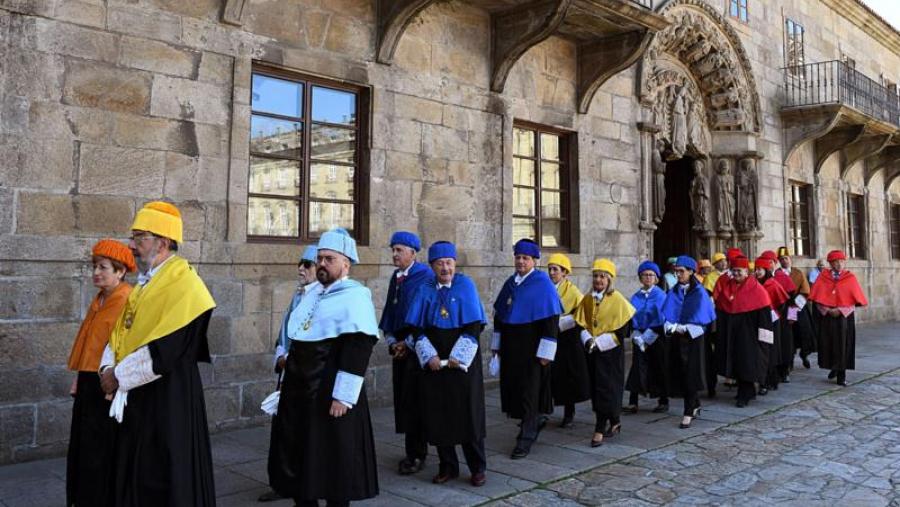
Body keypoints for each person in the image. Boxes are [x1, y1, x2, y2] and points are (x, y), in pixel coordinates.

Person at [98, 201, 217, 506]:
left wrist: (117, 376)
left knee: (162, 477)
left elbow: (166, 350)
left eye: (139, 238)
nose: (132, 245)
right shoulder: (144, 284)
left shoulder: (186, 286)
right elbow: (121, 332)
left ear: (162, 243)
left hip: (167, 399)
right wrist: (106, 367)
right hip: (137, 396)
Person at [270, 228, 380, 506]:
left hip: (331, 392)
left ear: (346, 264)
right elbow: (299, 339)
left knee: (333, 465)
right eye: (319, 258)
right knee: (300, 460)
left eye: (329, 259)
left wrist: (343, 395)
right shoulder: (312, 294)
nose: (321, 264)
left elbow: (359, 347)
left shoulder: (356, 296)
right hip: (300, 392)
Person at [405, 241, 487, 487]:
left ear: (455, 264)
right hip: (434, 364)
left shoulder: (466, 286)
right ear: (432, 266)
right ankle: (448, 466)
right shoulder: (424, 288)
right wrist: (428, 354)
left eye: (449, 263)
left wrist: (459, 355)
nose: (445, 268)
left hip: (462, 362)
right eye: (440, 264)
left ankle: (477, 467)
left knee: (468, 414)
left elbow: (474, 326)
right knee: (439, 416)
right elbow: (415, 327)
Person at [66, 239, 135, 507]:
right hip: (87, 380)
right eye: (94, 266)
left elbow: (124, 345)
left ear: (120, 271)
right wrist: (78, 376)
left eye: (103, 267)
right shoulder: (100, 299)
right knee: (82, 446)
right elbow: (89, 342)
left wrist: (115, 382)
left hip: (107, 383)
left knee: (100, 449)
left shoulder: (126, 299)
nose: (96, 272)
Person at [492, 238, 562, 459]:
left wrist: (546, 353)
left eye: (525, 258)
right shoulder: (510, 283)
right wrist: (496, 346)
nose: (521, 261)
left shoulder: (543, 284)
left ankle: (526, 438)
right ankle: (531, 421)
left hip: (533, 349)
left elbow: (551, 320)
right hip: (512, 347)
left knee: (530, 392)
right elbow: (499, 317)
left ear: (534, 261)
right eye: (518, 257)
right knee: (515, 388)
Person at [259, 245, 318, 503]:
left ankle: (300, 481)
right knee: (282, 431)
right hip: (287, 371)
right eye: (300, 263)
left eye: (308, 264)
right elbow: (285, 330)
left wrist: (291, 359)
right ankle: (282, 481)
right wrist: (281, 353)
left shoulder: (319, 298)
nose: (301, 269)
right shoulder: (298, 295)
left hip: (304, 375)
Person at [378, 231, 433, 475]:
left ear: (413, 252)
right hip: (399, 350)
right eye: (393, 250)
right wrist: (391, 341)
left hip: (418, 348)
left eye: (399, 250)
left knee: (417, 402)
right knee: (404, 400)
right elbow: (391, 311)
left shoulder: (425, 276)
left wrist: (407, 342)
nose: (395, 254)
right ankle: (412, 449)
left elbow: (426, 315)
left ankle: (418, 453)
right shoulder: (396, 277)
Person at [574, 259, 635, 447]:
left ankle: (599, 428)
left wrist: (600, 342)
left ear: (609, 280)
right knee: (595, 387)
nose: (598, 280)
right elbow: (580, 323)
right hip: (592, 352)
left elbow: (624, 330)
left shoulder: (618, 300)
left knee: (607, 389)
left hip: (610, 353)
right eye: (595, 276)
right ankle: (614, 420)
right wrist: (587, 339)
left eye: (602, 276)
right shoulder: (587, 299)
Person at [661, 256, 716, 429]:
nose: (678, 275)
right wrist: (670, 326)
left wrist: (685, 328)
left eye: (681, 271)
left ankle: (688, 410)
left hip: (693, 340)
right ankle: (695, 404)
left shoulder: (700, 292)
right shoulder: (674, 291)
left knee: (691, 372)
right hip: (677, 340)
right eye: (676, 271)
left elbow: (705, 319)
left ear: (691, 271)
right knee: (681, 372)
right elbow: (666, 313)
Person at [714, 256, 775, 407]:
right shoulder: (728, 286)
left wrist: (764, 339)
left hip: (750, 334)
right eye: (733, 271)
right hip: (732, 332)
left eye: (739, 271)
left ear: (747, 271)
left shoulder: (757, 289)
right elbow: (721, 307)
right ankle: (746, 391)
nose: (736, 274)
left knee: (747, 363)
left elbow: (764, 316)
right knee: (736, 361)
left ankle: (745, 394)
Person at [809, 250, 868, 386]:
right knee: (829, 344)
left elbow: (854, 300)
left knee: (843, 345)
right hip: (828, 317)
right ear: (830, 263)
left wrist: (841, 310)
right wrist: (827, 310)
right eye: (836, 262)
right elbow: (817, 299)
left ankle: (841, 374)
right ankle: (834, 367)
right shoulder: (823, 277)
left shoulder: (850, 278)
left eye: (842, 261)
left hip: (844, 318)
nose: (840, 264)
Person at [546, 253, 589, 428]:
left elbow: (580, 316)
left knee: (567, 377)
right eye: (550, 269)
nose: (552, 273)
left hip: (567, 340)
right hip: (549, 336)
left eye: (555, 270)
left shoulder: (573, 291)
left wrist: (562, 323)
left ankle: (568, 413)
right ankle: (543, 410)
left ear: (564, 272)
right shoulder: (546, 288)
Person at [625, 261, 667, 414]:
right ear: (640, 278)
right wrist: (636, 334)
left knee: (659, 366)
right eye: (645, 275)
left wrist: (648, 336)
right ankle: (633, 401)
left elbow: (662, 317)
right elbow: (631, 315)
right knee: (637, 367)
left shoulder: (661, 295)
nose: (648, 278)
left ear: (656, 278)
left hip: (656, 335)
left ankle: (663, 400)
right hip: (639, 335)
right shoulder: (635, 296)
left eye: (651, 275)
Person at [754, 256, 790, 395]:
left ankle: (768, 381)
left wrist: (773, 316)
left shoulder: (773, 284)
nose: (757, 272)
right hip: (757, 323)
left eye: (760, 270)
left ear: (766, 270)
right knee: (759, 352)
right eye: (755, 270)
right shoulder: (753, 284)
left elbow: (782, 304)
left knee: (769, 352)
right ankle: (760, 380)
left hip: (771, 323)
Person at [776, 246, 815, 370]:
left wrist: (796, 306)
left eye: (786, 258)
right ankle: (790, 360)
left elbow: (805, 290)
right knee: (790, 335)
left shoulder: (798, 273)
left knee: (804, 332)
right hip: (784, 307)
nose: (784, 261)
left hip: (797, 306)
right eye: (781, 259)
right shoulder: (777, 274)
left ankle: (804, 355)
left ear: (790, 259)